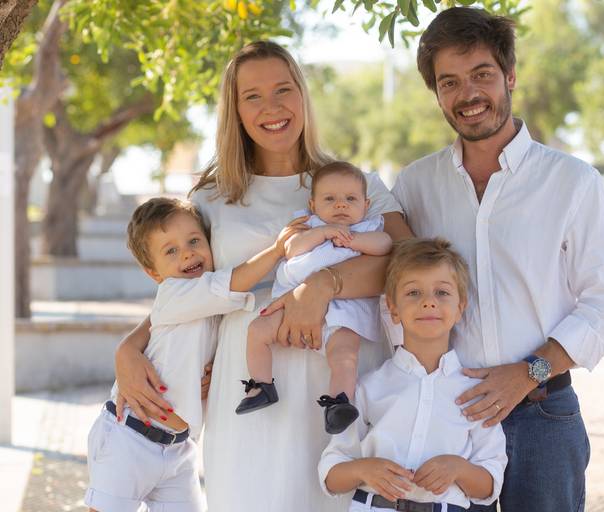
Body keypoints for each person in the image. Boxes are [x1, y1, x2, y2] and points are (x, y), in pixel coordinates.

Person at [111, 41, 410, 511]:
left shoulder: (357, 185)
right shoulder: (209, 198)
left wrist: (320, 288)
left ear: (303, 96)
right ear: (235, 110)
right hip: (247, 390)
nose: (271, 108)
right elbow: (187, 290)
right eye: (252, 96)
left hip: (339, 380)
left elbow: (406, 265)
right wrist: (130, 346)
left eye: (283, 90)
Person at [391, 7, 604, 511]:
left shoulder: (572, 182)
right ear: (436, 93)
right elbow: (388, 289)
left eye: (482, 75)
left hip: (544, 413)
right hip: (448, 414)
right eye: (449, 82)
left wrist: (528, 372)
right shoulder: (414, 186)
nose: (468, 95)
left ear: (510, 76)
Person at [84, 197, 305, 511]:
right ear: (153, 273)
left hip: (177, 449)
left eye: (194, 240)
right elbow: (236, 281)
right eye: (170, 250)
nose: (187, 252)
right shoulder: (176, 294)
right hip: (129, 438)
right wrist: (278, 249)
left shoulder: (208, 304)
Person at [319, 238, 507, 512]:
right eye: (413, 293)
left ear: (460, 307)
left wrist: (459, 469)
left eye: (442, 293)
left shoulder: (476, 394)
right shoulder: (369, 387)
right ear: (393, 308)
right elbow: (331, 473)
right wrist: (363, 469)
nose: (428, 302)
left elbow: (490, 484)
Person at [237, 161, 393, 437]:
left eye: (350, 199)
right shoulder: (307, 225)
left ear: (366, 204)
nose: (341, 205)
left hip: (346, 311)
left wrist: (354, 241)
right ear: (313, 204)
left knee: (345, 356)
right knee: (257, 330)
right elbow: (291, 250)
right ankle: (261, 385)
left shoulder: (369, 228)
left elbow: (386, 246)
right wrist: (321, 233)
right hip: (292, 303)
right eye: (330, 199)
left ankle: (338, 403)